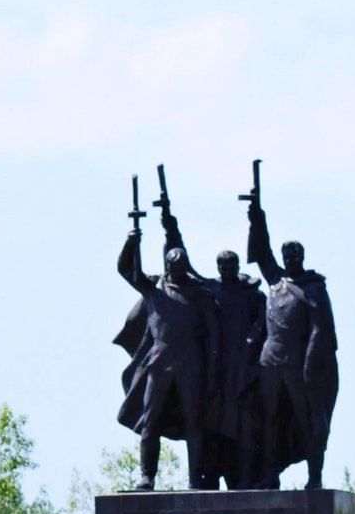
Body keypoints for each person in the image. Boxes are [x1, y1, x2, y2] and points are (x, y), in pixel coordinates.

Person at [158, 206, 267, 488]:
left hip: (242, 370)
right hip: (213, 371)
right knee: (210, 426)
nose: (226, 270)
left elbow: (262, 323)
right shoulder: (209, 290)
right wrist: (171, 231)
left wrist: (252, 343)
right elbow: (182, 265)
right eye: (222, 266)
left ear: (238, 266)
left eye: (231, 266)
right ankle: (208, 476)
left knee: (242, 426)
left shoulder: (252, 295)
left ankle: (244, 478)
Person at [113, 222, 220, 490]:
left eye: (181, 268)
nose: (176, 272)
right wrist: (131, 243)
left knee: (194, 422)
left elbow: (213, 335)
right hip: (159, 365)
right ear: (167, 267)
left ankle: (196, 478)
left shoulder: (199, 295)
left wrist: (212, 370)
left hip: (191, 367)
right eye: (172, 268)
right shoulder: (154, 288)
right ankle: (147, 475)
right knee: (151, 420)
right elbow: (126, 270)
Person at [247, 200, 338, 489]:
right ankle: (270, 474)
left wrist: (310, 365)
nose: (291, 258)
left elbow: (321, 329)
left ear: (302, 256)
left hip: (298, 365)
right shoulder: (275, 281)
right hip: (270, 362)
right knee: (270, 420)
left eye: (295, 253)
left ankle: (315, 476)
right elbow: (262, 253)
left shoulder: (313, 287)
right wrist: (256, 218)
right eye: (287, 254)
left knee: (307, 420)